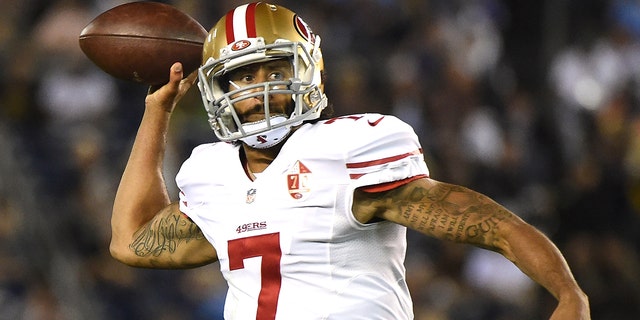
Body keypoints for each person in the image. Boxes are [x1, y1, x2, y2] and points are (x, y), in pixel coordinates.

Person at [110, 2, 590, 319]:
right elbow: (131, 240)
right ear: (216, 89)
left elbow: (487, 222)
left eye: (275, 70)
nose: (259, 88)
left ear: (308, 72)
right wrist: (158, 109)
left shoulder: (343, 149)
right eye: (241, 76)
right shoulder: (212, 174)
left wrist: (568, 293)